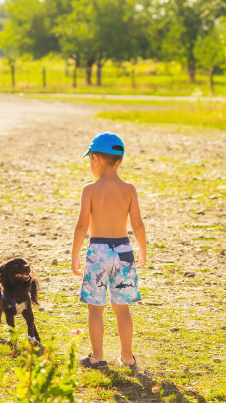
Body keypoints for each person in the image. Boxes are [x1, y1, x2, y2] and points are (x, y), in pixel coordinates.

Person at [70, 132, 146, 369]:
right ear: (120, 160)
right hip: (124, 250)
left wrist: (74, 255)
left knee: (96, 308)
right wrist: (142, 250)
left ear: (94, 159)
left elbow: (82, 225)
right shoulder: (129, 189)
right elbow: (138, 224)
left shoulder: (90, 189)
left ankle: (97, 356)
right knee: (122, 308)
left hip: (99, 251)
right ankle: (126, 356)